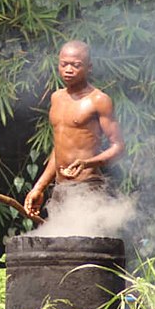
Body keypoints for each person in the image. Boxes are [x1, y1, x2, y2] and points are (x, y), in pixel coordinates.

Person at [24, 40, 125, 218]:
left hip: (88, 187)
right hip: (60, 188)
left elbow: (118, 146)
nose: (68, 70)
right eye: (64, 64)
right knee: (59, 243)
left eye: (76, 65)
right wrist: (39, 187)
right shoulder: (56, 97)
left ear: (89, 67)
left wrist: (88, 163)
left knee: (87, 243)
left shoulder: (99, 100)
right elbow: (59, 148)